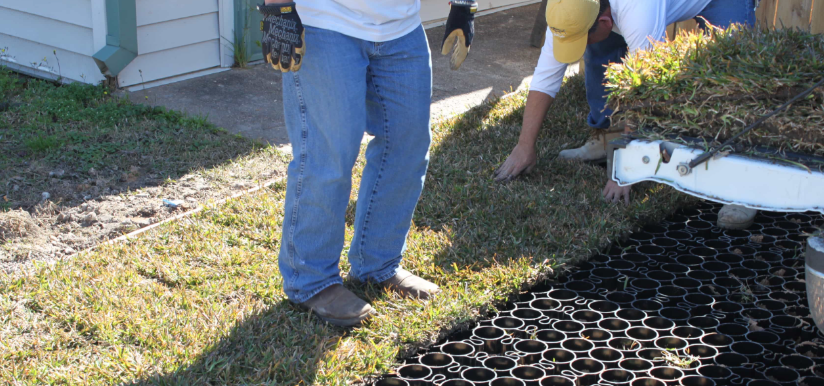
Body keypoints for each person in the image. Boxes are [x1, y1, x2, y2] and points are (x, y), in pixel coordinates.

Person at [259, 0, 478, 327]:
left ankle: (377, 264)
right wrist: (277, 8)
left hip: (400, 25)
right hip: (326, 22)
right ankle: (310, 280)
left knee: (407, 143)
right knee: (329, 156)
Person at [493, 0, 758, 229]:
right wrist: (524, 145)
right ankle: (609, 136)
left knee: (731, 72)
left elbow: (646, 89)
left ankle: (743, 184)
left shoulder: (638, 11)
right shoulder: (569, 9)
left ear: (607, 19)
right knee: (597, 46)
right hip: (617, 16)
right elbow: (545, 78)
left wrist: (626, 168)